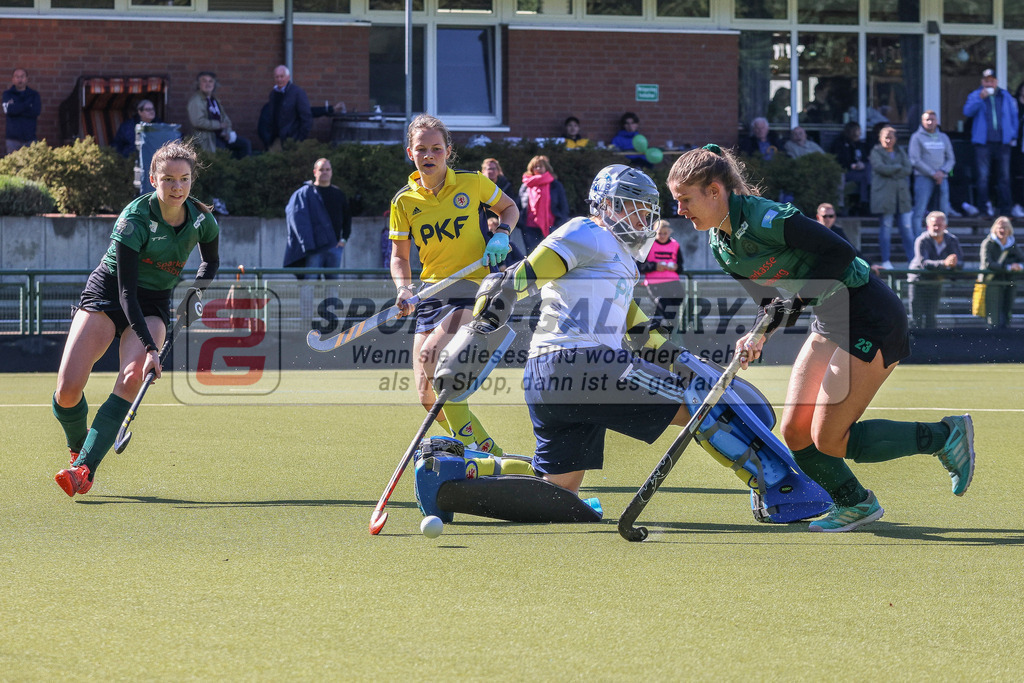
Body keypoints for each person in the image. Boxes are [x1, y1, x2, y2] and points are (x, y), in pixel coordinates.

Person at [666, 143, 975, 532]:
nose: (679, 210)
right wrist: (757, 335)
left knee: (830, 438)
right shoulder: (721, 246)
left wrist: (795, 304)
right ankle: (855, 503)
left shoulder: (767, 219)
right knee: (795, 430)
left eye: (685, 199)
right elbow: (769, 303)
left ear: (714, 190)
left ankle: (945, 436)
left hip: (867, 312)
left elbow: (840, 253)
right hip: (829, 317)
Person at [52, 139, 220, 497]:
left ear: (192, 180)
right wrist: (151, 348)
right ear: (153, 180)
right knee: (67, 391)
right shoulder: (134, 219)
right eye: (169, 179)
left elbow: (211, 261)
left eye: (185, 179)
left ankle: (84, 468)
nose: (177, 187)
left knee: (131, 377)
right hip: (111, 294)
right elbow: (127, 292)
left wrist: (196, 293)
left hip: (155, 300)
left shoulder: (202, 219)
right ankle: (81, 445)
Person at [389, 114, 520, 456]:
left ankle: (467, 450)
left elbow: (509, 208)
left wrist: (502, 235)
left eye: (436, 149)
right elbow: (400, 257)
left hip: (472, 290)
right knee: (425, 395)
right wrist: (403, 288)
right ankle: (489, 449)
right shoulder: (403, 202)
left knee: (433, 359)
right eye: (421, 149)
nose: (429, 155)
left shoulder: (472, 183)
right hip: (431, 292)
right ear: (410, 153)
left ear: (448, 151)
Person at [962, 68, 1018, 217]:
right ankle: (984, 209)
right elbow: (967, 112)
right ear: (982, 82)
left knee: (1004, 177)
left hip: (1003, 143)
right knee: (983, 177)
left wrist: (1013, 135)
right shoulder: (976, 95)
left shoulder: (1005, 96)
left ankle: (1006, 210)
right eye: (987, 80)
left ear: (996, 82)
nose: (989, 83)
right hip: (983, 144)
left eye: (992, 80)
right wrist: (980, 98)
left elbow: (1014, 117)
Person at [284, 158, 351, 280]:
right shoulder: (306, 194)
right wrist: (308, 245)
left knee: (332, 286)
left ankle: (331, 301)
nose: (324, 172)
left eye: (327, 169)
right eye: (321, 169)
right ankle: (307, 301)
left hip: (335, 247)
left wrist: (343, 240)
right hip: (314, 249)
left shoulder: (338, 194)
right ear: (315, 172)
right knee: (309, 283)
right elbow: (298, 220)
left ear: (331, 172)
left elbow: (347, 219)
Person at [907, 211, 963, 329]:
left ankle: (930, 344)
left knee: (931, 315)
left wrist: (953, 263)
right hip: (917, 280)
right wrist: (945, 263)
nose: (937, 228)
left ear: (945, 226)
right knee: (916, 316)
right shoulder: (922, 240)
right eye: (934, 225)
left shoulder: (952, 240)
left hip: (936, 281)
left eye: (940, 225)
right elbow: (924, 263)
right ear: (928, 226)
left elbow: (960, 262)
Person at [870, 125, 915, 269]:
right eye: (886, 137)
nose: (888, 140)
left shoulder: (900, 151)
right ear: (880, 138)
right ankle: (886, 260)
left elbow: (908, 169)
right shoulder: (875, 151)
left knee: (907, 230)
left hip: (901, 197)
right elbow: (880, 168)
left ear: (895, 139)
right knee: (886, 228)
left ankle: (913, 261)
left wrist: (892, 170)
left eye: (891, 137)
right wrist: (897, 168)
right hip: (885, 196)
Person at [908, 110, 955, 233]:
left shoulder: (944, 137)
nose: (930, 122)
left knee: (943, 210)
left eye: (932, 119)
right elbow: (915, 160)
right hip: (923, 178)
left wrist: (942, 171)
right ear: (922, 122)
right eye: (927, 120)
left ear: (937, 121)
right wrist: (933, 173)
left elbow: (951, 159)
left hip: (942, 178)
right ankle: (918, 241)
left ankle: (943, 238)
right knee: (919, 211)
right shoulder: (916, 137)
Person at [187, 71, 251, 159]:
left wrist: (227, 132)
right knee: (223, 152)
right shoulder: (196, 101)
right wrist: (219, 125)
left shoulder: (214, 100)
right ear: (198, 84)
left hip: (221, 136)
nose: (208, 84)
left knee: (245, 144)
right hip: (207, 139)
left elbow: (226, 119)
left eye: (210, 81)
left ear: (214, 84)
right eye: (204, 81)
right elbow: (198, 122)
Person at [639, 219, 685, 333]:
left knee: (678, 298)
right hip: (655, 283)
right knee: (663, 303)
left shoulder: (675, 244)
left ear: (669, 232)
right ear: (655, 233)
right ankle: (658, 328)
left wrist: (675, 267)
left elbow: (681, 266)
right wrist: (655, 266)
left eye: (665, 233)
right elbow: (639, 266)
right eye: (660, 233)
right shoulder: (648, 245)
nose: (663, 236)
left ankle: (659, 327)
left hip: (672, 282)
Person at [518, 155, 570, 255]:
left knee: (549, 254)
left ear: (546, 168)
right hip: (529, 226)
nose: (538, 169)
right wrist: (520, 222)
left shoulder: (555, 184)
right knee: (531, 254)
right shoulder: (526, 185)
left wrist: (560, 223)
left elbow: (563, 206)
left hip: (551, 226)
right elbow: (519, 204)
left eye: (540, 166)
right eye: (535, 166)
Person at [979, 216, 1024, 328]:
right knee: (993, 314)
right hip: (992, 282)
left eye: (1005, 227)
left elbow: (1021, 259)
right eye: (1000, 228)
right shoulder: (988, 243)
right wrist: (1008, 267)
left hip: (1009, 281)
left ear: (1010, 230)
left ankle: (1005, 338)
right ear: (995, 229)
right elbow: (988, 264)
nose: (1002, 230)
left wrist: (1019, 266)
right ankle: (993, 338)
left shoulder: (1012, 244)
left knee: (1007, 311)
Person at [257, 65, 313, 151]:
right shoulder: (273, 94)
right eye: (277, 77)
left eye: (282, 76)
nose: (279, 79)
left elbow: (306, 117)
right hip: (276, 139)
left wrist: (299, 139)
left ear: (288, 77)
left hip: (292, 139)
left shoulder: (297, 93)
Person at [831, 121, 870, 215]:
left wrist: (862, 164)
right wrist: (851, 165)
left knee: (867, 174)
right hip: (844, 171)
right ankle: (840, 207)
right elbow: (838, 159)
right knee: (840, 177)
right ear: (852, 131)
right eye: (858, 130)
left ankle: (864, 203)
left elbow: (865, 158)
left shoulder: (860, 144)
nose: (860, 133)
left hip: (857, 172)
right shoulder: (840, 143)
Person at [3, 68, 41, 156]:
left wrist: (16, 107)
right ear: (13, 79)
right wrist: (27, 105)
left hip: (30, 139)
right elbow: (8, 110)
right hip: (12, 140)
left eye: (22, 77)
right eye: (17, 77)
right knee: (13, 167)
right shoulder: (7, 94)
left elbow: (36, 111)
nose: (20, 79)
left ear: (27, 78)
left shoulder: (34, 95)